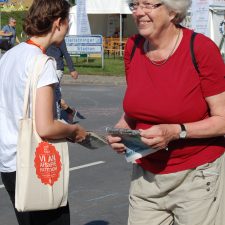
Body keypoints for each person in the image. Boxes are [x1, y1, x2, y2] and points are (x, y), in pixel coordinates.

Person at [107, 0, 225, 224]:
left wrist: (176, 131)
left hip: (197, 177)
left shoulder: (201, 48)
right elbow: (136, 109)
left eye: (148, 5)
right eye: (135, 5)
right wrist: (122, 128)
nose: (139, 12)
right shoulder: (133, 47)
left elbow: (223, 119)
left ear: (173, 11)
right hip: (146, 177)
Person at [0, 0, 87, 225]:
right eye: (68, 22)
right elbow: (46, 126)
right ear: (58, 23)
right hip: (35, 163)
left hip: (9, 163)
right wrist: (73, 130)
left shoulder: (10, 56)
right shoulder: (43, 62)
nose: (67, 29)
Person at [46, 40, 85, 122]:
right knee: (54, 95)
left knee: (52, 95)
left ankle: (55, 120)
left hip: (57, 68)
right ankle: (70, 112)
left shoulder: (59, 37)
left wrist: (72, 69)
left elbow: (66, 53)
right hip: (45, 68)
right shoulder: (44, 34)